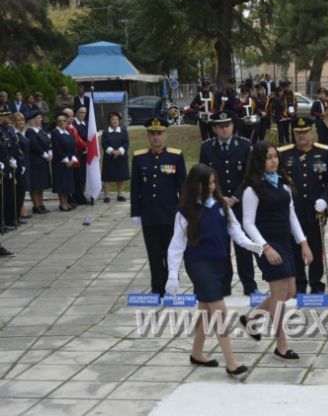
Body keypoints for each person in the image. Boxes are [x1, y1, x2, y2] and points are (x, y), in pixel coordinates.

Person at [165, 163, 262, 376]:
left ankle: (197, 353)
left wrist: (250, 245)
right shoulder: (185, 211)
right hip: (198, 265)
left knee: (206, 311)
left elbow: (235, 230)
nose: (211, 186)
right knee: (219, 311)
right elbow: (176, 244)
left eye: (213, 182)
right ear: (195, 184)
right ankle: (232, 363)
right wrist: (173, 274)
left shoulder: (221, 205)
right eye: (206, 183)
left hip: (220, 264)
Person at [241, 141, 313, 361]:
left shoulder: (283, 184)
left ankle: (252, 318)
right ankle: (282, 345)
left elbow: (291, 216)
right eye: (268, 157)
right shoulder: (252, 190)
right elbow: (248, 224)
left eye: (275, 156)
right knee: (280, 295)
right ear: (259, 161)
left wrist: (303, 243)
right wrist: (265, 247)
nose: (273, 161)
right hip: (266, 244)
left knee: (290, 291)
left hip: (285, 243)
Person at [198, 111, 257, 295]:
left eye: (228, 125)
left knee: (244, 247)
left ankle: (249, 285)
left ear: (233, 126)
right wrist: (218, 196)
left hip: (239, 204)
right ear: (214, 129)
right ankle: (223, 286)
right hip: (218, 204)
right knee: (220, 246)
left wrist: (236, 197)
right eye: (221, 126)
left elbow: (250, 174)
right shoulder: (207, 148)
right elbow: (203, 175)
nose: (225, 129)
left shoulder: (245, 145)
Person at [279, 117, 328, 293]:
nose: (302, 136)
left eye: (305, 132)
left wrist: (325, 200)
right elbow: (280, 181)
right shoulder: (284, 154)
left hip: (315, 210)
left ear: (312, 132)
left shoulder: (323, 153)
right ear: (293, 134)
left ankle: (316, 284)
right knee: (295, 248)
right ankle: (299, 284)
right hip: (293, 211)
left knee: (316, 247)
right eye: (298, 133)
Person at [131, 117, 187, 295]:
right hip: (149, 214)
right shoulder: (140, 158)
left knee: (172, 252)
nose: (156, 138)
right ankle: (157, 288)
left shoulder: (175, 156)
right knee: (154, 254)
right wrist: (135, 212)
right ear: (148, 136)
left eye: (159, 134)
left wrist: (184, 211)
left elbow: (182, 187)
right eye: (152, 134)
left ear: (166, 135)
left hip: (170, 213)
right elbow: (135, 188)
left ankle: (172, 285)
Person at [25, 110, 51, 214]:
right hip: (35, 161)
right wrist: (45, 154)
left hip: (42, 161)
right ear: (32, 120)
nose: (41, 120)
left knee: (41, 184)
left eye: (40, 118)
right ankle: (36, 205)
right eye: (38, 118)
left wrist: (49, 152)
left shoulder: (40, 130)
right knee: (35, 185)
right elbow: (35, 146)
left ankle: (41, 204)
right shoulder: (30, 131)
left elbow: (47, 143)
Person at [101, 112, 130, 203]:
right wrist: (112, 151)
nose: (115, 121)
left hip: (121, 157)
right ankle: (106, 196)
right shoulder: (105, 132)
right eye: (113, 119)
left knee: (121, 177)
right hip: (109, 158)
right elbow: (104, 144)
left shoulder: (123, 131)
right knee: (107, 177)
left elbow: (126, 143)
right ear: (109, 121)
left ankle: (120, 195)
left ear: (119, 121)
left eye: (116, 119)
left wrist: (119, 151)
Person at [51, 113, 77, 212]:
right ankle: (62, 203)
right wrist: (66, 160)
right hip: (60, 162)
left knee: (67, 183)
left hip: (70, 161)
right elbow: (57, 148)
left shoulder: (68, 132)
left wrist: (73, 159)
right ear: (56, 123)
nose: (62, 123)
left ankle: (66, 202)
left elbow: (73, 146)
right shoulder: (55, 133)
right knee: (61, 183)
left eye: (64, 121)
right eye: (60, 121)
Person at [10, 112, 30, 222]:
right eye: (18, 120)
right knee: (18, 190)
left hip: (25, 164)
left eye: (22, 120)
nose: (21, 122)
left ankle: (18, 213)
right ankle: (16, 214)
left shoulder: (22, 133)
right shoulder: (15, 135)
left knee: (22, 190)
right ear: (13, 121)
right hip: (18, 165)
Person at [72, 106, 89, 204]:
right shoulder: (74, 124)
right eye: (80, 112)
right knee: (77, 176)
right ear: (76, 113)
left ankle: (81, 195)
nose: (82, 114)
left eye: (84, 112)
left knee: (83, 176)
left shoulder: (86, 123)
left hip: (85, 154)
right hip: (77, 154)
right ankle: (76, 196)